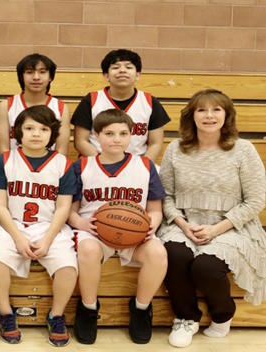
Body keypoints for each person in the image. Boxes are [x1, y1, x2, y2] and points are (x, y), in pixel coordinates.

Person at [157, 89, 266, 348]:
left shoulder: (243, 150)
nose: (209, 115)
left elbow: (256, 200)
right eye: (201, 110)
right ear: (191, 116)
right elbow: (166, 196)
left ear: (226, 115)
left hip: (230, 226)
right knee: (174, 254)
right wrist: (182, 224)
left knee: (204, 267)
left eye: (216, 109)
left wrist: (217, 229)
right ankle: (185, 317)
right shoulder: (175, 149)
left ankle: (222, 314)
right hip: (184, 223)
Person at [68, 109, 166, 345]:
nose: (116, 139)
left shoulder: (145, 166)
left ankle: (141, 309)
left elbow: (155, 209)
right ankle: (88, 308)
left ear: (131, 136)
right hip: (94, 232)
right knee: (89, 250)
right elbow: (69, 211)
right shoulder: (81, 166)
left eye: (123, 133)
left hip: (135, 233)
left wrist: (151, 225)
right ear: (96, 136)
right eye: (109, 133)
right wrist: (81, 222)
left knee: (158, 253)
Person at [0, 105, 78, 347]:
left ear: (53, 134)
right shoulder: (4, 161)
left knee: (68, 268)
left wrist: (48, 239)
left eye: (43, 129)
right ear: (18, 132)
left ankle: (56, 315)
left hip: (50, 226)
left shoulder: (63, 163)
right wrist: (17, 237)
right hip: (12, 225)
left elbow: (63, 208)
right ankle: (6, 314)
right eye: (29, 128)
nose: (36, 134)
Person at [71, 49, 170, 162]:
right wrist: (103, 163)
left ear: (137, 75)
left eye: (128, 67)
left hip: (136, 166)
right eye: (115, 67)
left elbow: (156, 143)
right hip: (97, 164)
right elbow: (80, 142)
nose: (122, 70)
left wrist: (141, 167)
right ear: (106, 75)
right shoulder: (91, 100)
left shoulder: (150, 102)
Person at [0, 53, 70, 155]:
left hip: (50, 168)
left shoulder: (61, 108)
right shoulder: (6, 106)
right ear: (21, 77)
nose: (36, 77)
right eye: (29, 72)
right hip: (13, 168)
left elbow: (61, 151)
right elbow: (3, 150)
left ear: (50, 77)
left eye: (42, 72)